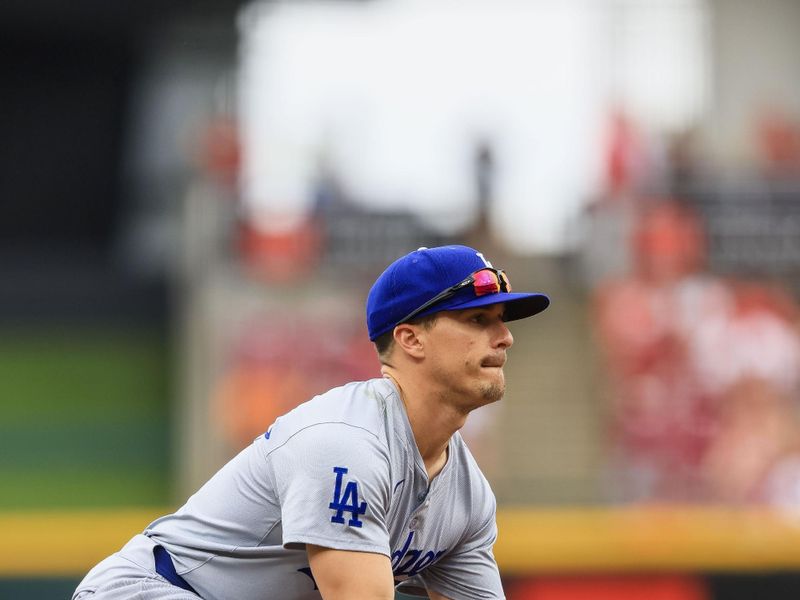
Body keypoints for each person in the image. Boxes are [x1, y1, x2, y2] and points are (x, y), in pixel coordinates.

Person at [72, 245, 550, 600]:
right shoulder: (345, 443)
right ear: (410, 339)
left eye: (501, 319)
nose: (504, 337)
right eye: (477, 319)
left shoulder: (468, 496)